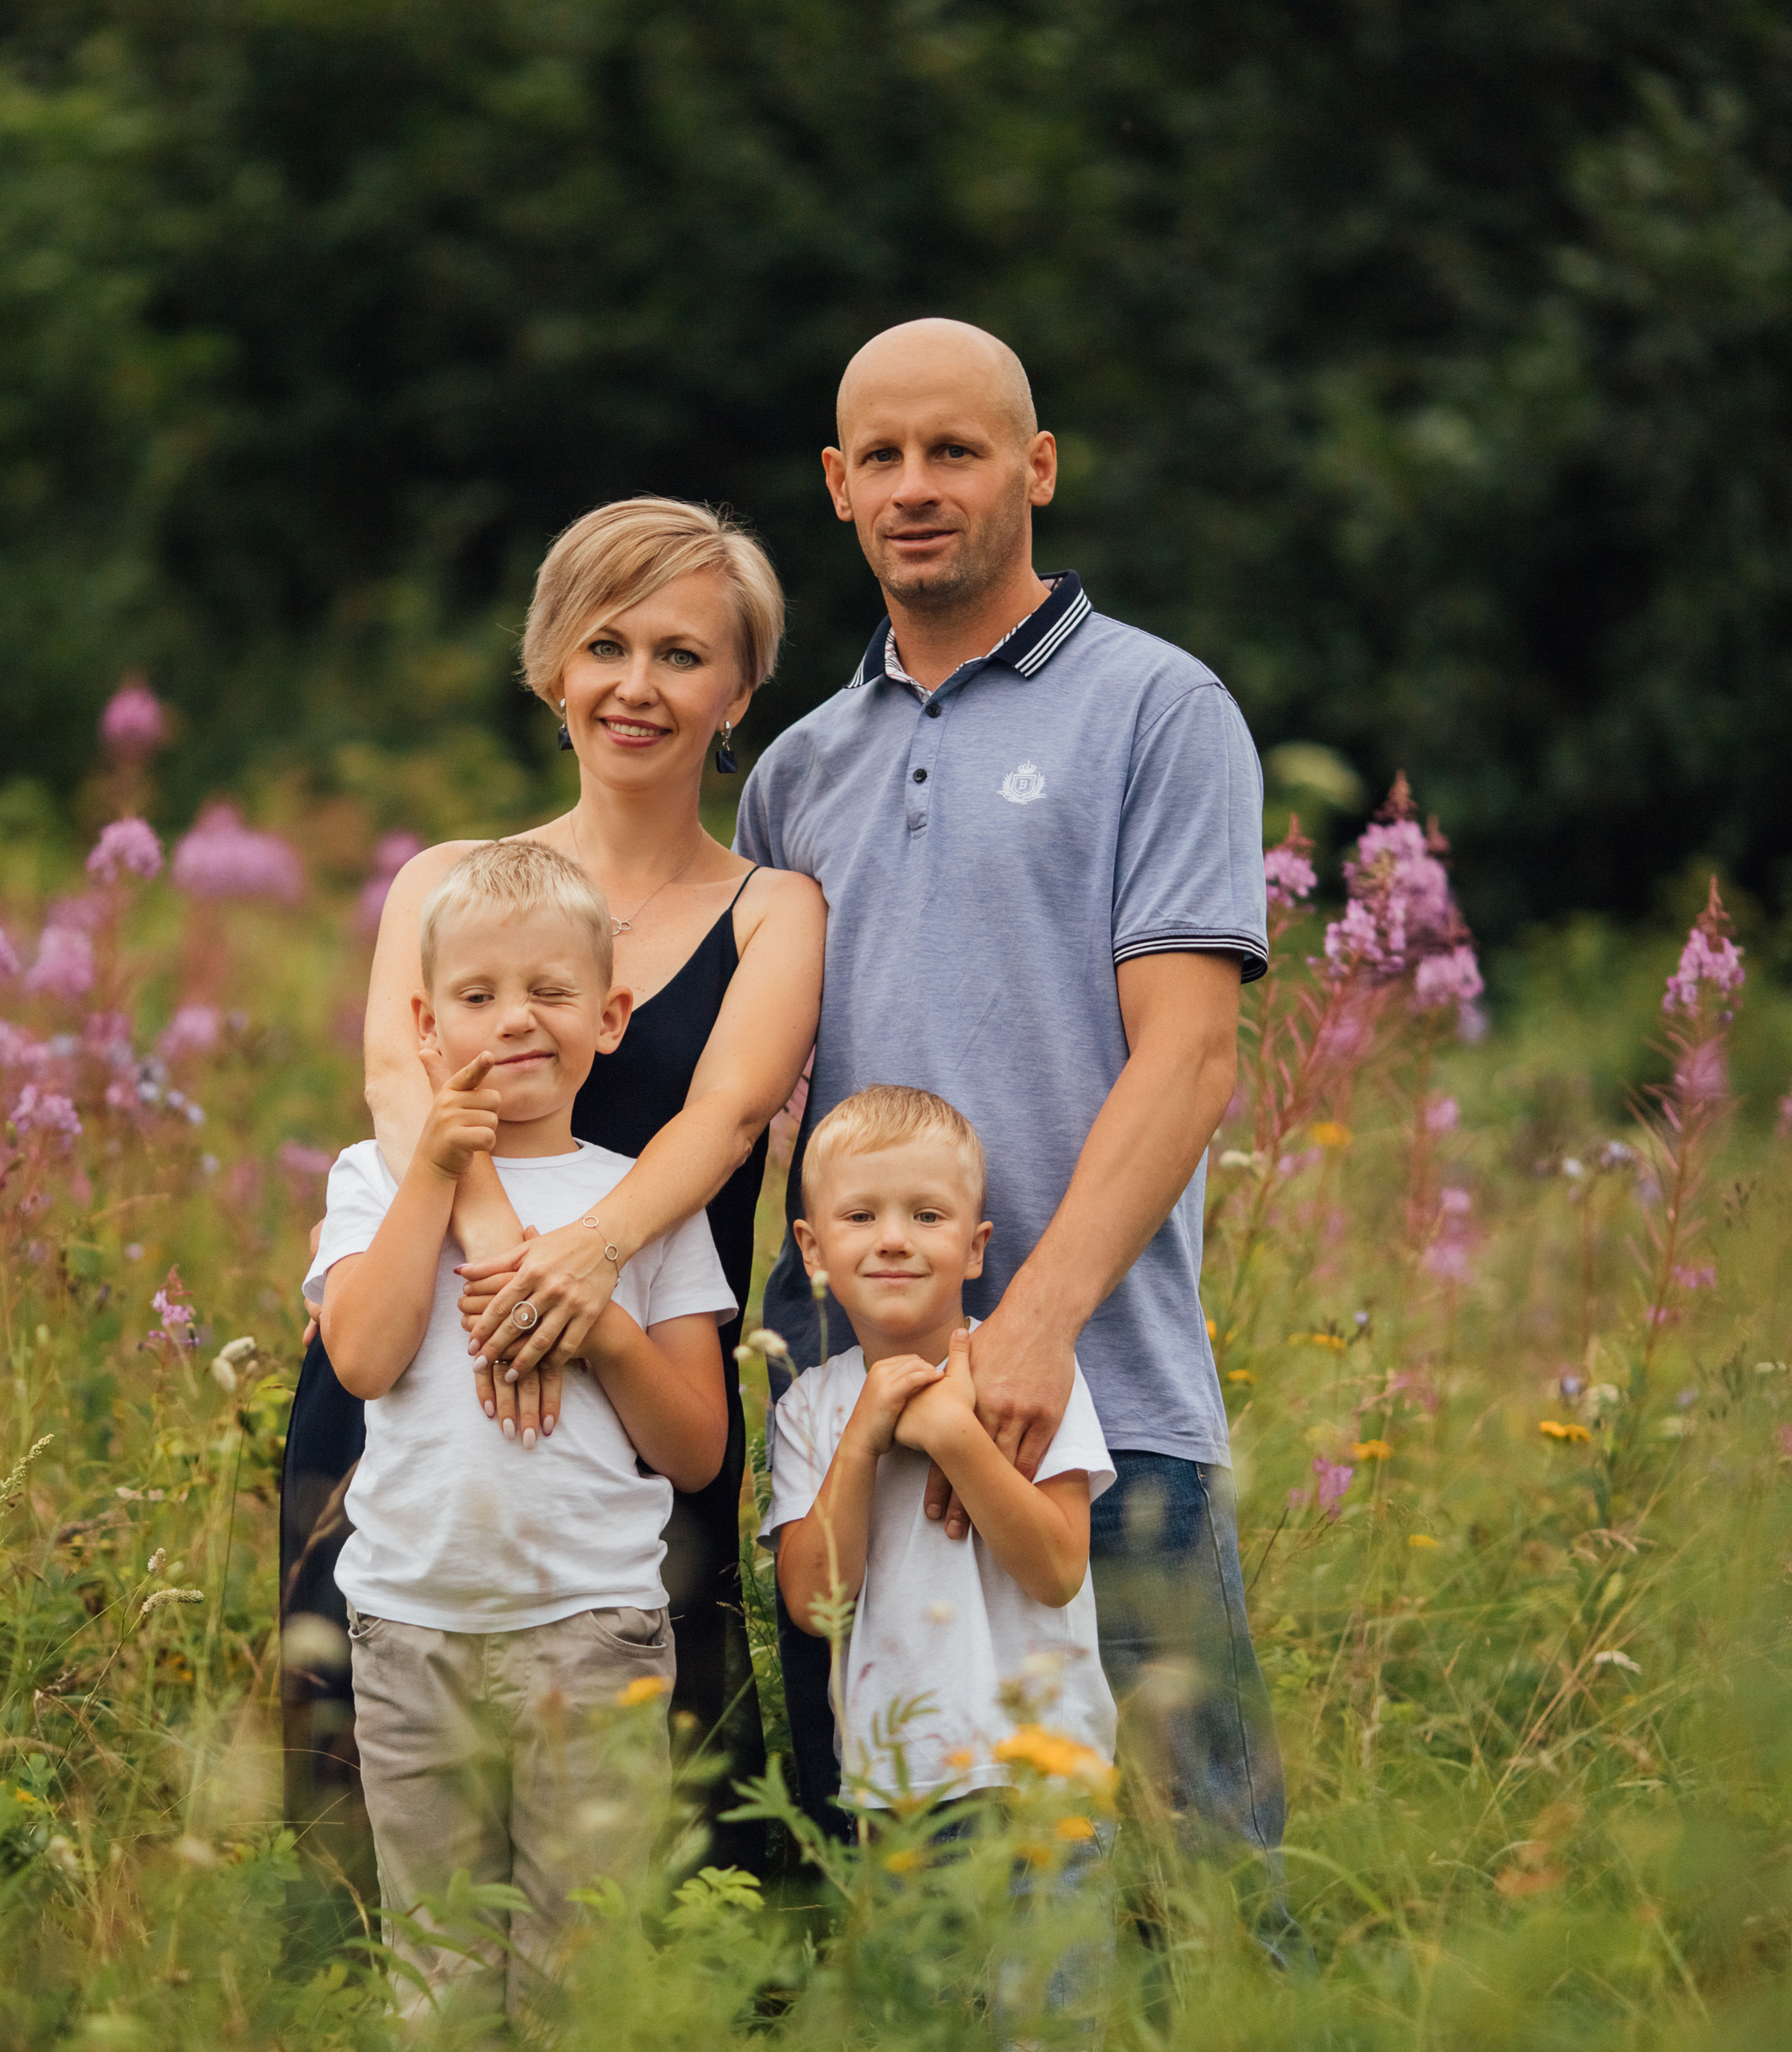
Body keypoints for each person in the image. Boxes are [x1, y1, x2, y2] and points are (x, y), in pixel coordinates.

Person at [735, 319, 1296, 1937]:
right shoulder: (795, 773)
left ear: (1033, 468)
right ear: (837, 488)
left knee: (1205, 1881)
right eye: (884, 459)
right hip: (860, 1421)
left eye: (956, 450)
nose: (918, 487)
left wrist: (1031, 1318)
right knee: (915, 1902)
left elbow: (1185, 1057)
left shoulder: (1155, 710)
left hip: (1095, 1396)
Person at [281, 497, 825, 1875]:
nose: (637, 686)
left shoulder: (777, 907)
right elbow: (400, 1089)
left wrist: (584, 1268)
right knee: (389, 1831)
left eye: (683, 655)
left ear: (740, 691)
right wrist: (507, 1261)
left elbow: (729, 1116)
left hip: (647, 1368)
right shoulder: (449, 880)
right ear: (553, 671)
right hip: (421, 1372)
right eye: (605, 646)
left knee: (649, 1843)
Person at [307, 838, 736, 2021]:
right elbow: (363, 1355)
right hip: (414, 1628)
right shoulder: (371, 1179)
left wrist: (598, 1327)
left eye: (550, 994)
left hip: (592, 1635)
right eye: (480, 997)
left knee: (576, 1978)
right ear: (424, 1022)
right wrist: (433, 1178)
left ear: (609, 1016)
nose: (515, 1023)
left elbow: (697, 1448)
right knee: (436, 1982)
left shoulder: (641, 1200)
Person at [765, 1085, 1116, 2021]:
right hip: (903, 1790)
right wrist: (866, 1437)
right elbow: (812, 1604)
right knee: (921, 2027)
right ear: (811, 1249)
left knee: (1045, 2026)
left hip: (1047, 1779)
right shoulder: (809, 1411)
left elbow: (1055, 1567)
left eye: (926, 1215)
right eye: (860, 1215)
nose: (892, 1238)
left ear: (974, 1245)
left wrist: (954, 1434)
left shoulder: (1029, 1377)